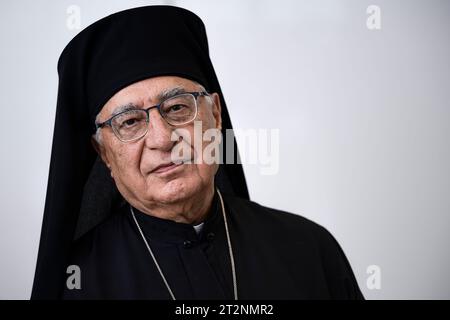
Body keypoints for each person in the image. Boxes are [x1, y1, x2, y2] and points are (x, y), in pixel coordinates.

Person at [31, 5, 364, 300]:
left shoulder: (310, 251)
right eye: (130, 121)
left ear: (215, 115)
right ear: (103, 152)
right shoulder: (75, 284)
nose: (162, 139)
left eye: (177, 107)